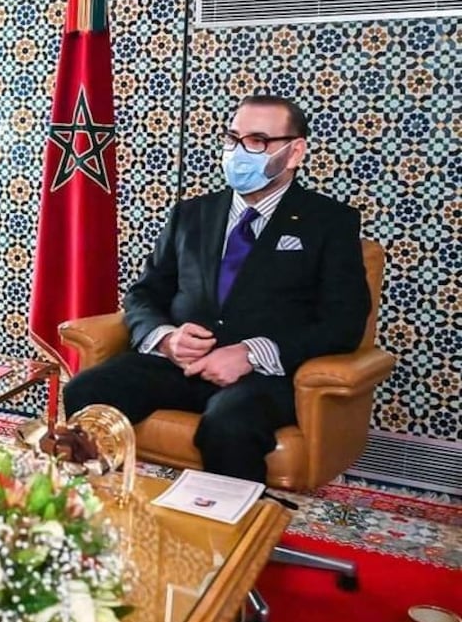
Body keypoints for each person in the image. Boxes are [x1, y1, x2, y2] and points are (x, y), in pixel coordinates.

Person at [63, 95, 371, 483]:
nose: (240, 152)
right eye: (233, 138)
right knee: (87, 390)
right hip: (179, 365)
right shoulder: (191, 215)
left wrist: (251, 353)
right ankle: (96, 513)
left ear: (295, 152)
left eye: (258, 141)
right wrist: (165, 339)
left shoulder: (329, 223)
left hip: (263, 378)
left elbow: (343, 323)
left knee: (228, 428)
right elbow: (145, 294)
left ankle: (231, 537)